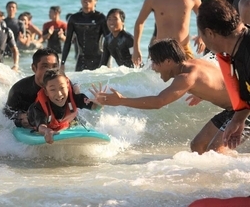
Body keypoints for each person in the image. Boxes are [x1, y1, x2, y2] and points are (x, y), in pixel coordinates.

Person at [93, 38, 246, 154]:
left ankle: (235, 173)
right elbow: (222, 80)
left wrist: (121, 101)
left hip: (245, 109)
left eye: (154, 62)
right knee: (197, 145)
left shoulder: (186, 77)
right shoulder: (195, 64)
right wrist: (204, 93)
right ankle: (208, 183)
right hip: (233, 109)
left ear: (168, 61)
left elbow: (158, 102)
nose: (153, 67)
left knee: (215, 151)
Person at [197, 0, 250, 149]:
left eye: (200, 34)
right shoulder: (238, 47)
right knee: (203, 146)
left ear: (209, 33)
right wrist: (238, 119)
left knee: (215, 150)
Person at [132, 0, 205, 67]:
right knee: (155, 78)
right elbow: (140, 22)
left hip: (183, 48)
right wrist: (136, 48)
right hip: (161, 50)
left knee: (190, 76)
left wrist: (201, 36)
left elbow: (203, 18)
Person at [27, 69, 104, 144]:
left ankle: (75, 87)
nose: (59, 94)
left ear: (67, 86)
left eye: (62, 88)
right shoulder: (39, 107)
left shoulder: (74, 97)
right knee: (23, 120)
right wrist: (47, 131)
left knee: (77, 120)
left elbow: (95, 108)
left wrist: (100, 103)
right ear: (46, 91)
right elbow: (41, 127)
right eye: (53, 89)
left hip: (63, 121)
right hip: (33, 117)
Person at [4, 48, 60, 128]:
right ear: (34, 68)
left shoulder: (64, 87)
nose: (50, 71)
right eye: (45, 66)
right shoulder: (18, 90)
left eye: (54, 66)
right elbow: (6, 114)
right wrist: (19, 117)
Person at [60, 0, 109, 72]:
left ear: (95, 0)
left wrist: (107, 62)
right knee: (78, 84)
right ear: (80, 0)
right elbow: (68, 42)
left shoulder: (100, 18)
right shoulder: (74, 18)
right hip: (81, 60)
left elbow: (109, 41)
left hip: (99, 59)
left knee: (99, 85)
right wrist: (62, 63)